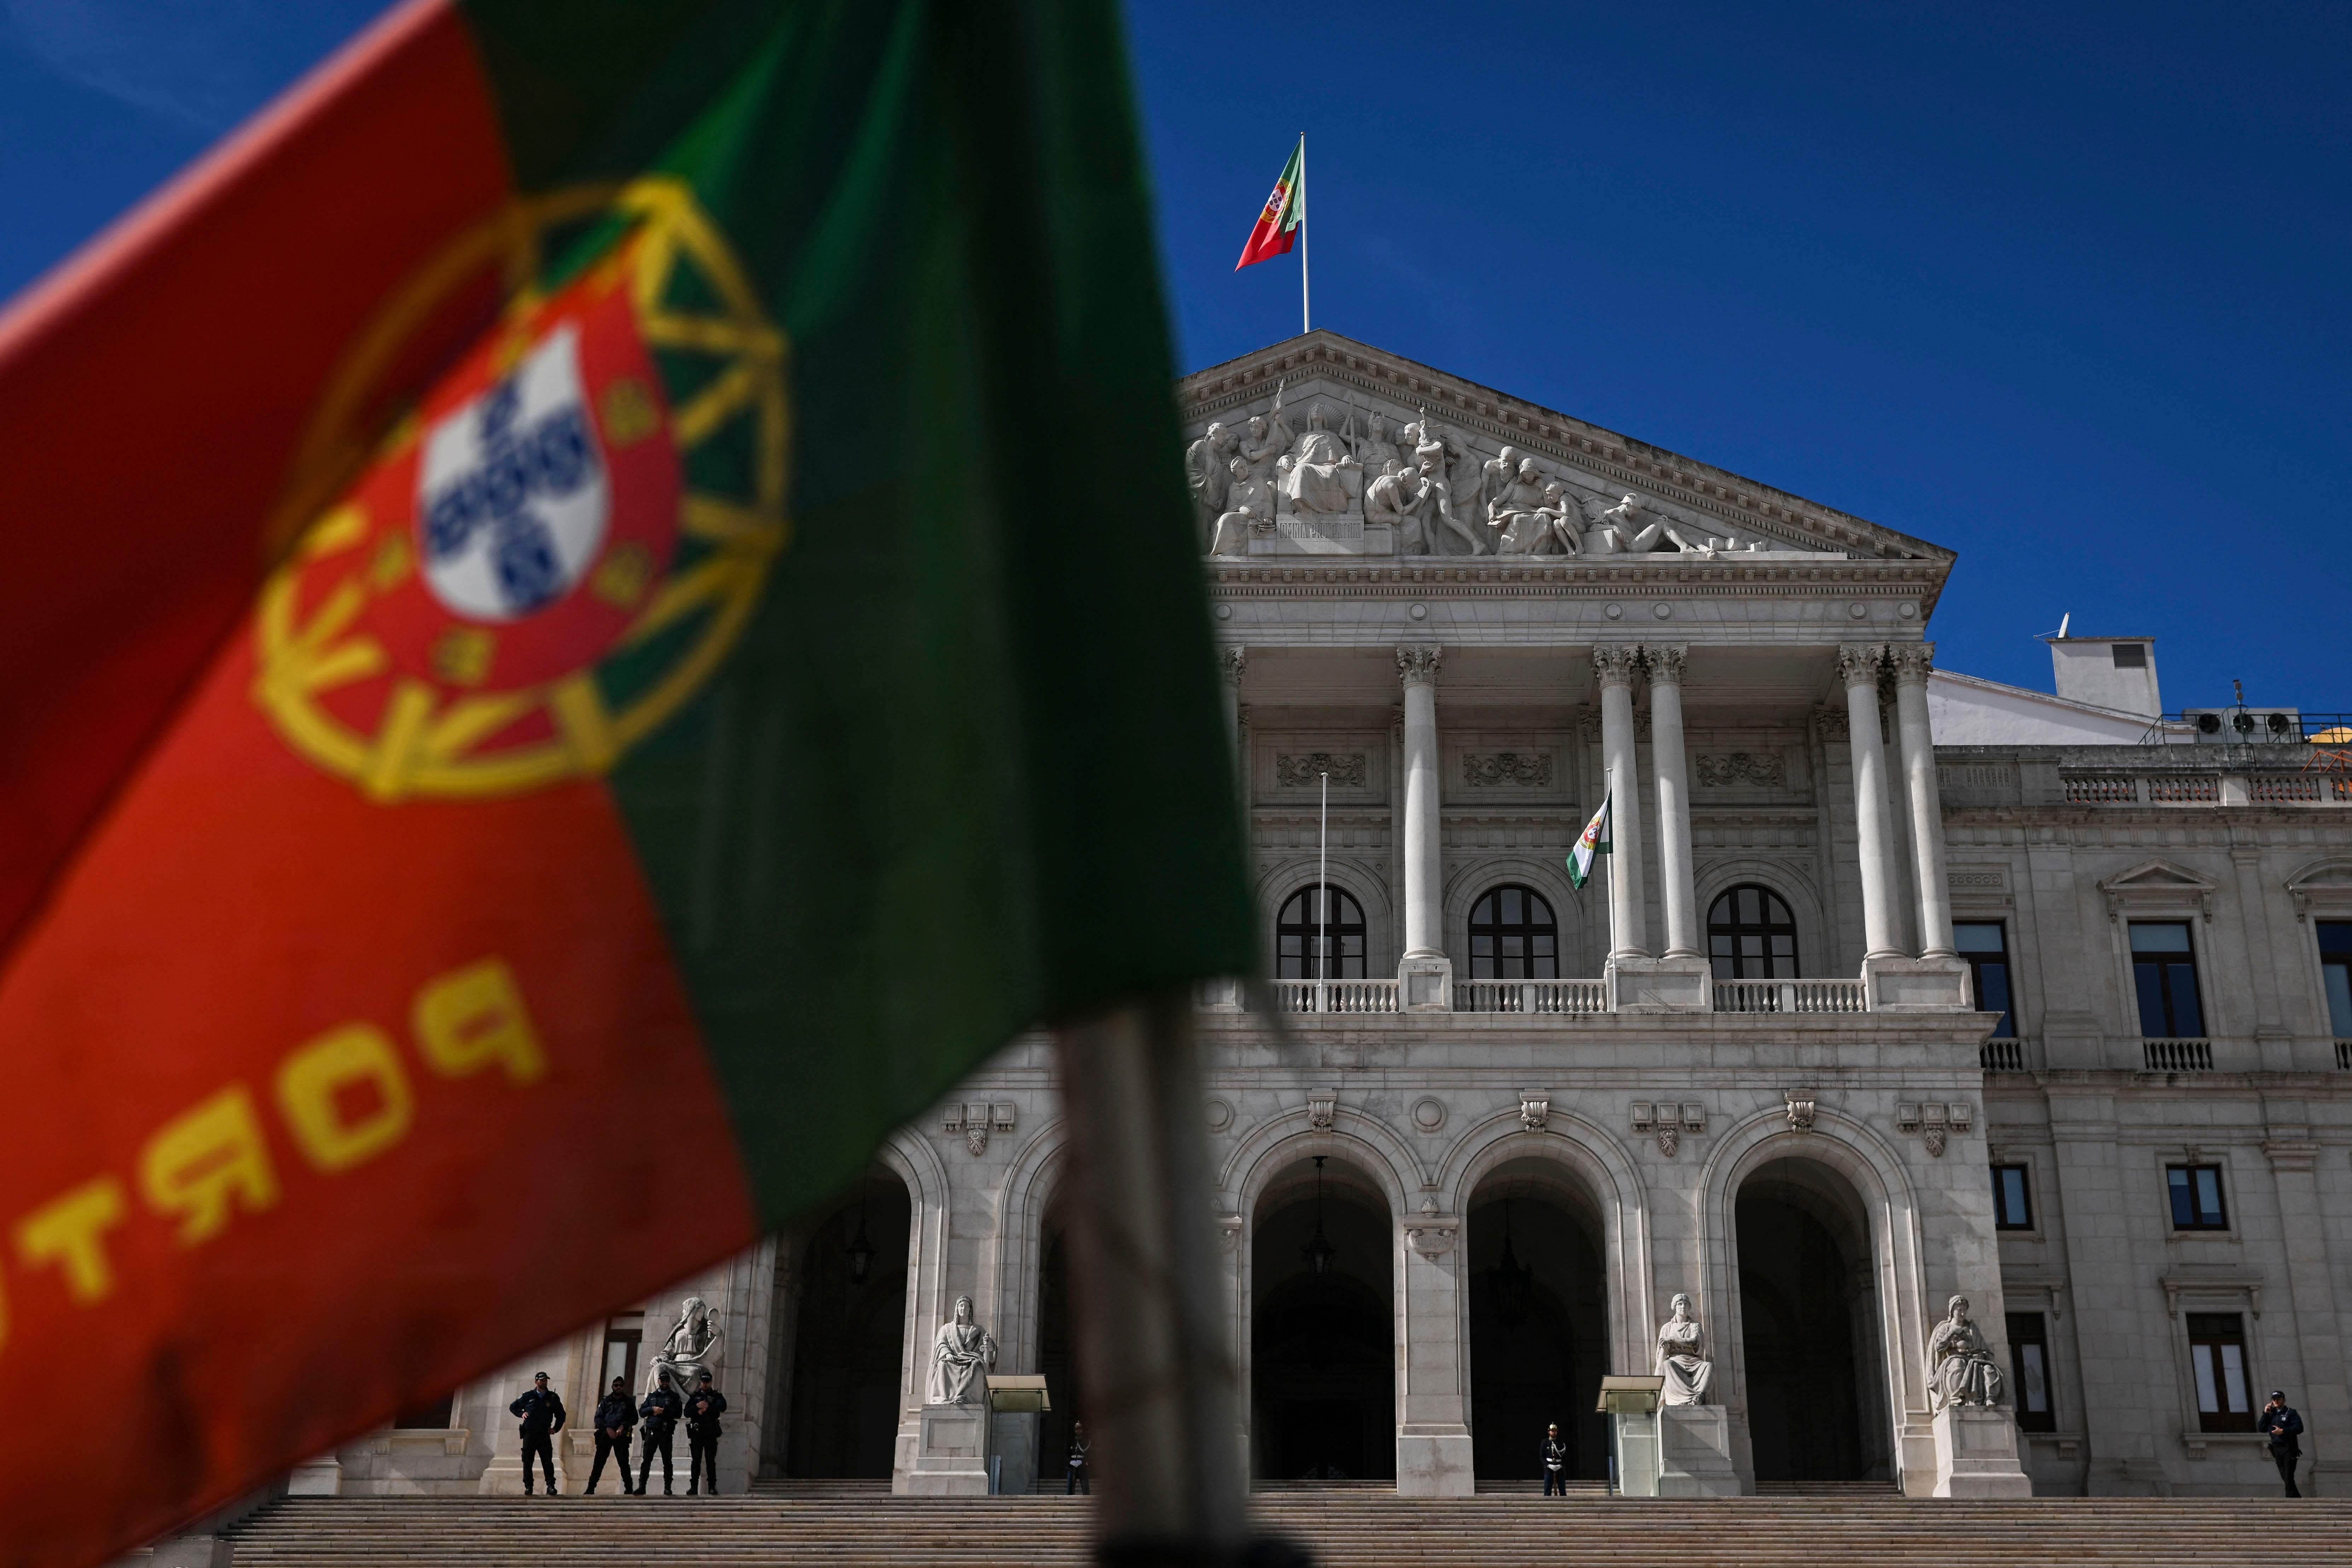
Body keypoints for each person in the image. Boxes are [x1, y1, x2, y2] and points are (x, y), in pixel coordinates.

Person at [509, 1371, 566, 1497]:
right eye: (542, 1380)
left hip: (544, 1433)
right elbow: (513, 1407)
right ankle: (529, 1486)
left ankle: (551, 1486)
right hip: (530, 1433)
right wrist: (521, 1414)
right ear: (536, 1382)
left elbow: (561, 1415)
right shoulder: (528, 1396)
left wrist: (556, 1429)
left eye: (546, 1380)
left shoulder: (552, 1398)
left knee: (547, 1461)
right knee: (528, 1461)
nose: (544, 1382)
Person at [584, 1375, 637, 1496]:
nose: (618, 1388)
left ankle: (629, 1489)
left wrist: (623, 1426)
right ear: (612, 1387)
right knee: (599, 1464)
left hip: (621, 1437)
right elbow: (598, 1418)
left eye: (621, 1385)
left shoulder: (628, 1402)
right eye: (616, 1385)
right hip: (606, 1436)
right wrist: (608, 1429)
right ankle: (591, 1488)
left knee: (624, 1464)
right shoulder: (606, 1402)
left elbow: (634, 1418)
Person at [637, 1371, 684, 1497]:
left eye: (667, 1381)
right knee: (647, 1460)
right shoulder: (653, 1396)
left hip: (666, 1432)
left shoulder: (674, 1397)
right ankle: (642, 1487)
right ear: (659, 1381)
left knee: (667, 1461)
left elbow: (678, 1413)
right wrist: (652, 1409)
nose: (665, 1383)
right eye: (663, 1380)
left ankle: (668, 1488)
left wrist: (663, 1412)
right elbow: (642, 1411)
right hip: (652, 1431)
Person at [685, 1371, 728, 1496]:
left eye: (707, 1382)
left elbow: (723, 1407)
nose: (705, 1385)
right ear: (701, 1383)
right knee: (696, 1461)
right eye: (703, 1382)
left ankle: (712, 1487)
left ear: (711, 1383)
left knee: (710, 1460)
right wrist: (697, 1407)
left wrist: (708, 1408)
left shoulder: (716, 1396)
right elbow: (687, 1413)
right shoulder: (695, 1397)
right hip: (697, 1433)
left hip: (710, 1432)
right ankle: (694, 1487)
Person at [2262, 1389, 2305, 1497]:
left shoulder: (2291, 1413)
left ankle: (2291, 1499)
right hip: (2277, 1449)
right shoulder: (2271, 1415)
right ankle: (2296, 1498)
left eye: (2278, 1399)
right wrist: (2265, 1414)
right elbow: (2261, 1428)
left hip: (2289, 1448)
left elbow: (2299, 1428)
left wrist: (2284, 1431)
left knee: (2288, 1475)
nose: (2276, 1401)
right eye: (2274, 1399)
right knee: (2285, 1476)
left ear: (2284, 1400)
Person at [1541, 1422, 1570, 1496]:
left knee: (1562, 1489)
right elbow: (1542, 1457)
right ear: (1549, 1432)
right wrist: (1548, 1465)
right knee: (1548, 1489)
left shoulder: (1561, 1444)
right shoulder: (1545, 1443)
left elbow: (1565, 1457)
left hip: (1559, 1468)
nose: (1553, 1432)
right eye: (1552, 1431)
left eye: (1555, 1431)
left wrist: (1561, 1466)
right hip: (1549, 1468)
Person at [1066, 1419, 1091, 1495]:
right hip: (1072, 1466)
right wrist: (1070, 1462)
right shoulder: (1070, 1441)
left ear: (1082, 1430)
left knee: (1085, 1486)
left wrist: (1082, 1462)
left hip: (1082, 1466)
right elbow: (1066, 1453)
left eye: (1080, 1429)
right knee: (1070, 1487)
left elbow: (1089, 1454)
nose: (1078, 1431)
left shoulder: (1086, 1441)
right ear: (1075, 1430)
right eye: (1077, 1429)